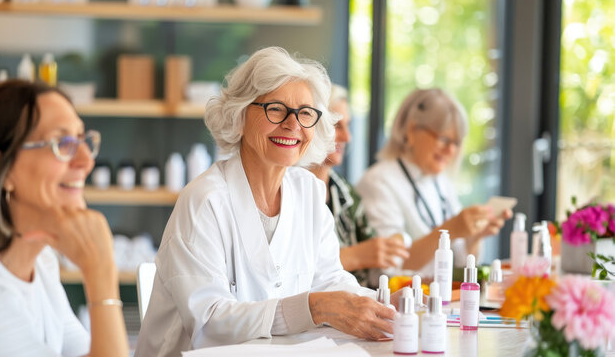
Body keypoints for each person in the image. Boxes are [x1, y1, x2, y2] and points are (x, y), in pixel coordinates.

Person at [135, 47, 400, 355]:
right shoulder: (205, 201)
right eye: (276, 109)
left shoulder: (309, 192)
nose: (293, 125)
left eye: (305, 113)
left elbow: (329, 280)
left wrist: (376, 304)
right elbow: (208, 323)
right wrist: (312, 308)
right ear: (240, 114)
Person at [0, 80, 128, 357]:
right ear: (1, 169)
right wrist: (100, 272)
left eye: (82, 140)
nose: (85, 161)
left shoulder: (41, 263)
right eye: (61, 143)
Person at [357, 88, 512, 274]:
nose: (450, 151)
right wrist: (451, 229)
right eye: (444, 139)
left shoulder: (440, 182)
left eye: (456, 143)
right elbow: (390, 266)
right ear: (412, 131)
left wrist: (474, 236)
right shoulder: (378, 181)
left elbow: (459, 263)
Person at [308, 84, 408, 287]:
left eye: (348, 126)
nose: (347, 137)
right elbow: (287, 274)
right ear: (311, 124)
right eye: (337, 125)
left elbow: (377, 262)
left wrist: (387, 249)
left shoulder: (347, 193)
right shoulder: (288, 190)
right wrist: (353, 256)